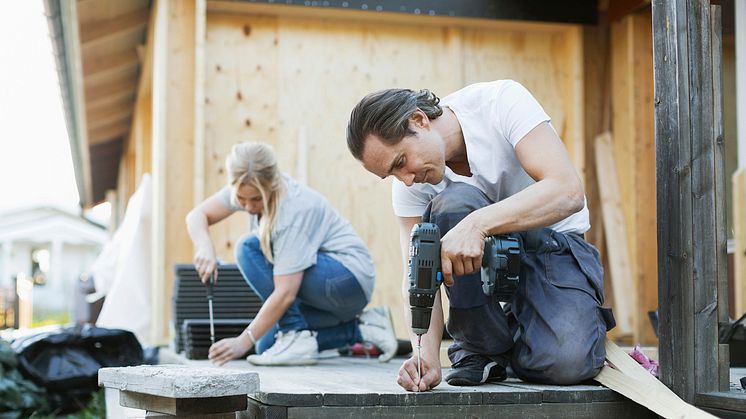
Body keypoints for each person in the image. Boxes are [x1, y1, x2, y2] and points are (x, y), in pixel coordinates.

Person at [346, 80, 614, 392]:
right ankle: (481, 348)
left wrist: (477, 225)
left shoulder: (500, 103)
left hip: (552, 246)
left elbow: (567, 192)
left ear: (419, 121)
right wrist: (425, 354)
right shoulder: (411, 184)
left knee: (565, 364)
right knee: (452, 206)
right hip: (478, 266)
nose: (405, 181)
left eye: (401, 162)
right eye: (391, 174)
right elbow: (417, 275)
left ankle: (519, 333)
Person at [186, 141, 397, 366]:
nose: (247, 207)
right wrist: (204, 246)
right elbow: (197, 215)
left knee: (247, 249)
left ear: (271, 185)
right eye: (241, 199)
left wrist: (241, 341)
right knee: (266, 344)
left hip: (346, 281)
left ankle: (295, 333)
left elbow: (286, 293)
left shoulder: (292, 212)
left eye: (256, 199)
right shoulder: (247, 187)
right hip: (324, 289)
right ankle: (365, 329)